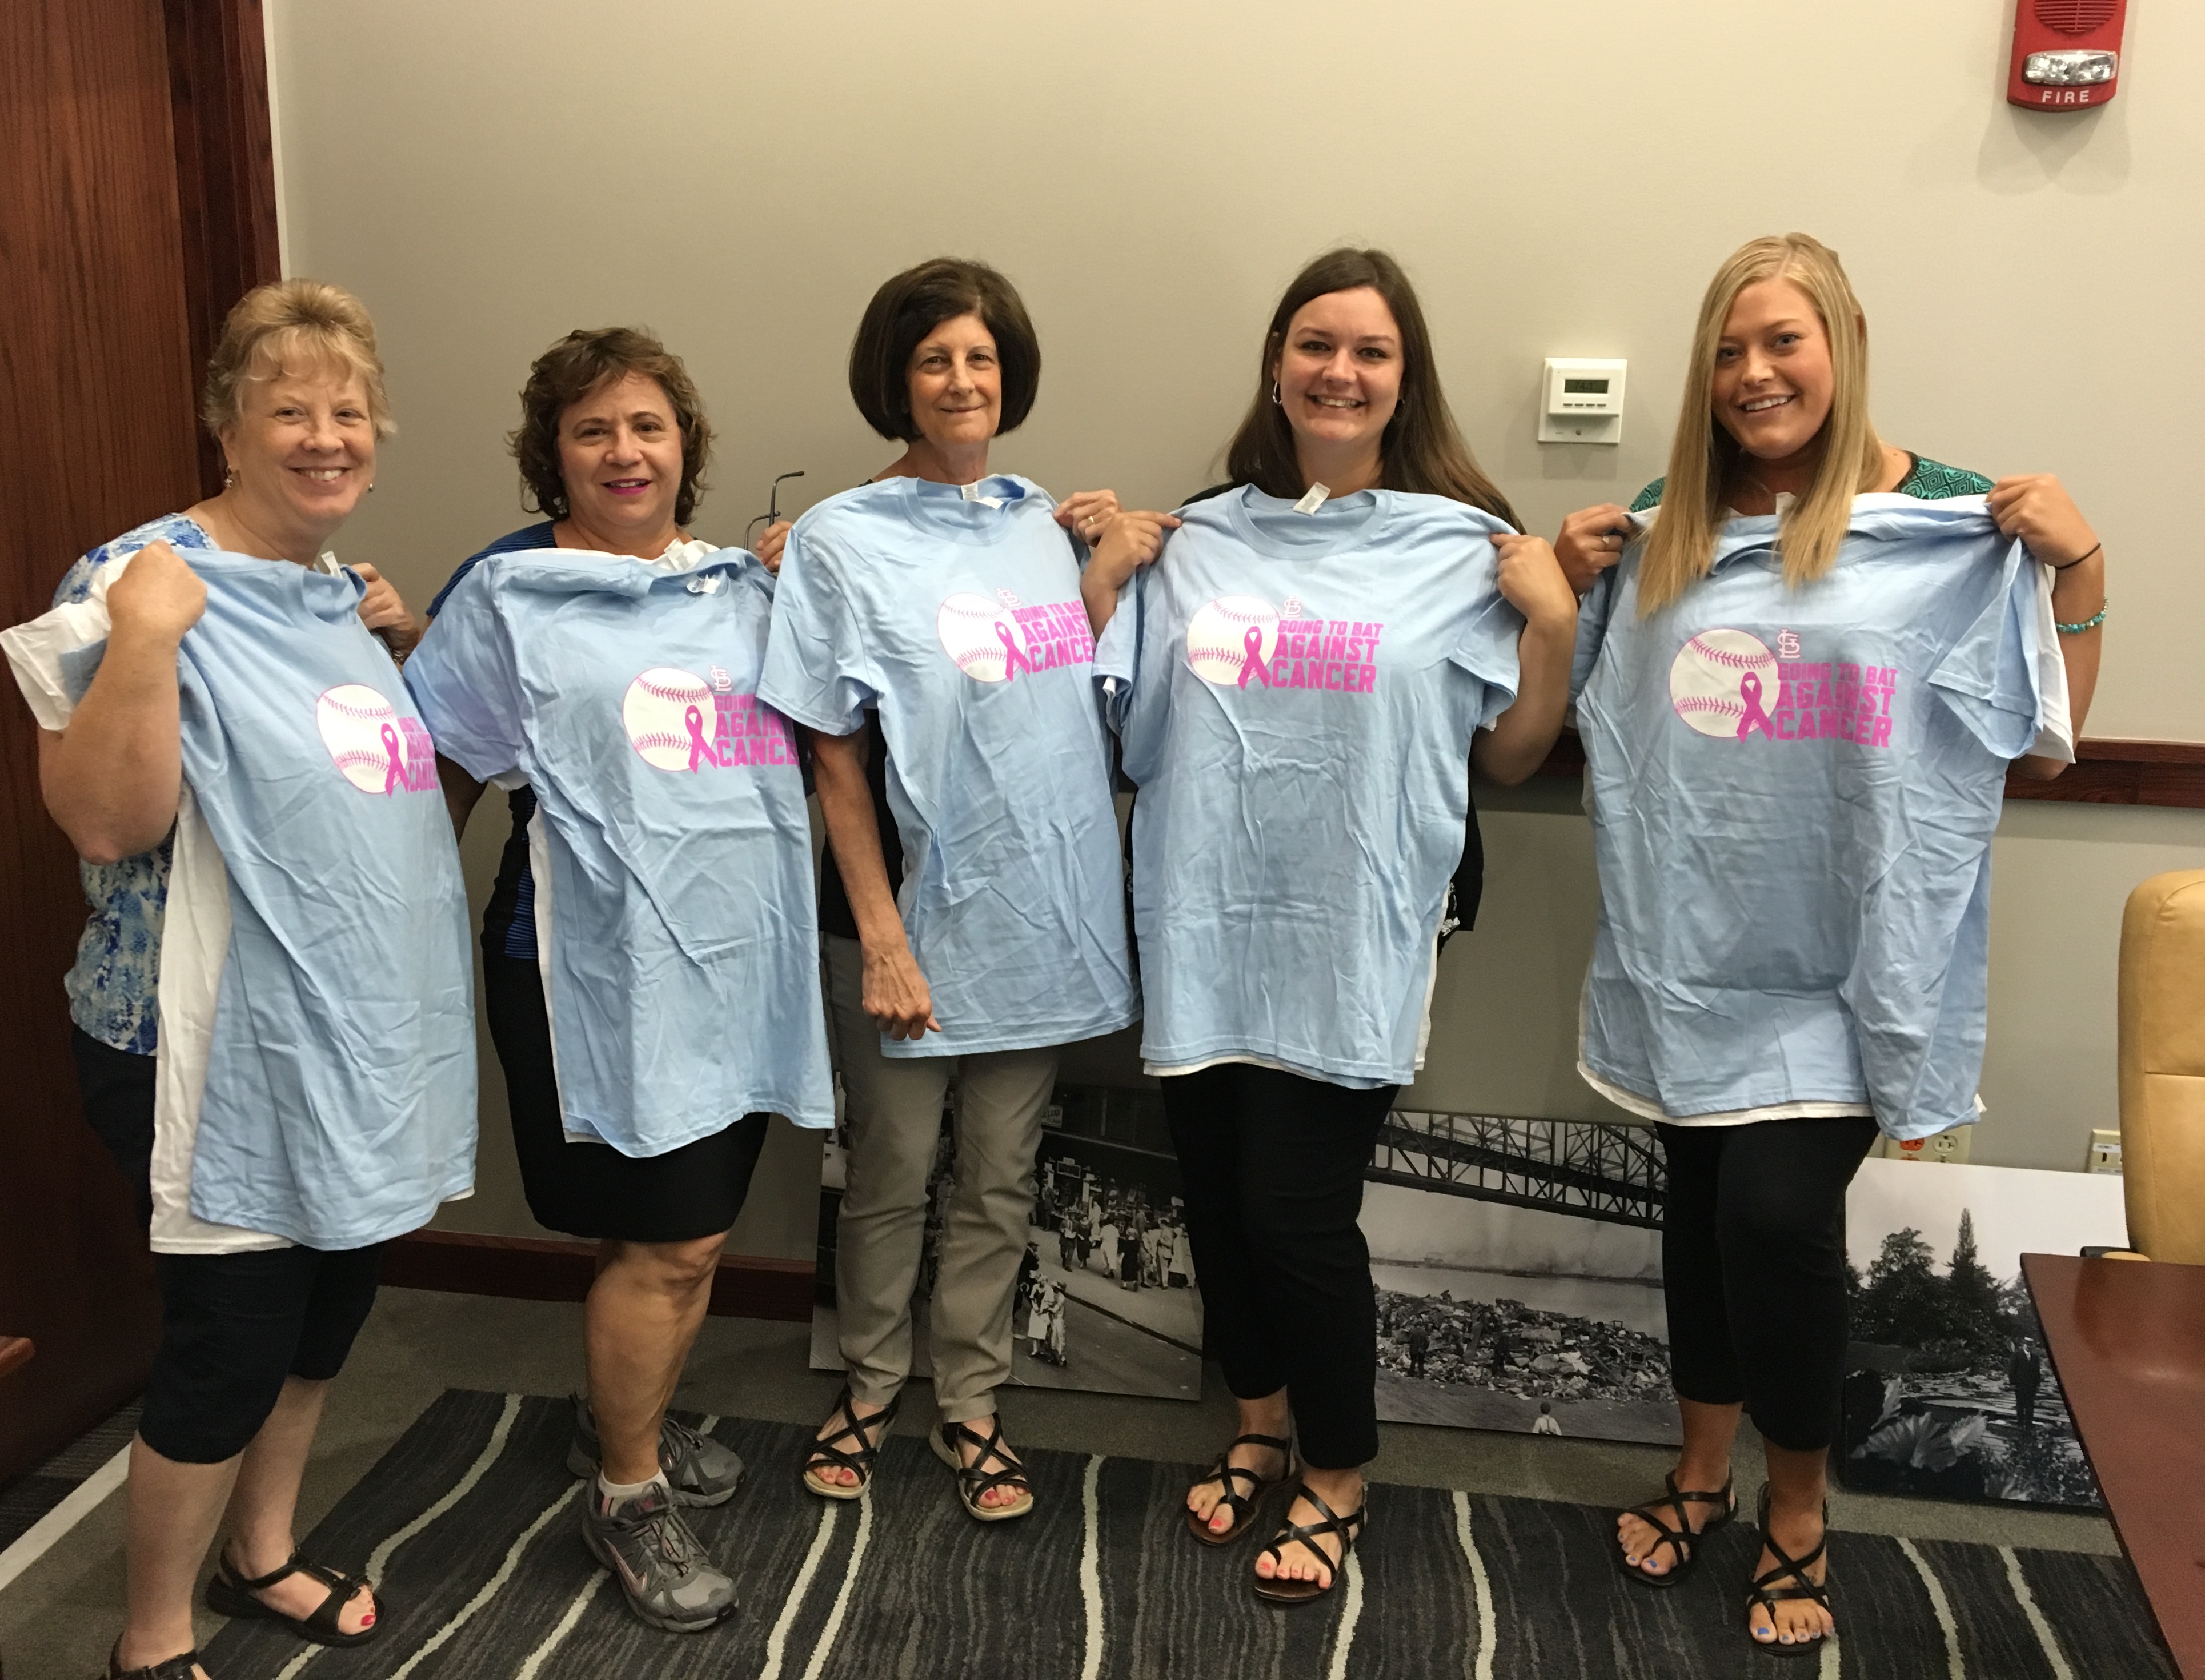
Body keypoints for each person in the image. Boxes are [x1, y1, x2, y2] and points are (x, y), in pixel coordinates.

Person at [1562, 234, 2102, 1657]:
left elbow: (2035, 747)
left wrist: (2080, 567)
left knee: (1774, 1218)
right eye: (1731, 351)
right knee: (1694, 1207)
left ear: (1844, 345)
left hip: (1853, 964)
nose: (1754, 374)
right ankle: (1696, 1469)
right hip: (1692, 951)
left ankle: (1794, 1503)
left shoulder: (1947, 520)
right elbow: (1588, 710)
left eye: (1783, 342)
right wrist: (1575, 582)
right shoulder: (1667, 521)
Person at [0, 280, 476, 1680]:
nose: (326, 436)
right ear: (228, 424)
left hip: (352, 1037)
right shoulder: (137, 575)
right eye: (290, 410)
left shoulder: (334, 593)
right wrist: (145, 636)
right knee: (232, 1336)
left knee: (331, 1310)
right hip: (203, 1043)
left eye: (349, 411)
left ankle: (260, 1551)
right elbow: (103, 820)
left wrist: (381, 642)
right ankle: (150, 1642)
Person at [1091, 246, 1576, 1603]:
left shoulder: (1461, 547)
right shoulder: (1195, 539)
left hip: (1353, 936)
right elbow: (1121, 739)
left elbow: (1516, 760)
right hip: (1202, 928)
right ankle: (1259, 1424)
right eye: (1316, 343)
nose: (1339, 372)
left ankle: (1341, 1468)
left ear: (1403, 377)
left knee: (1297, 1215)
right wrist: (1104, 593)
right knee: (1222, 1204)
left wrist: (1549, 635)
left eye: (1368, 351)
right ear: (1277, 363)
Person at [407, 327, 834, 1635]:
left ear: (686, 449)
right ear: (555, 455)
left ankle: (623, 1416)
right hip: (580, 963)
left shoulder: (743, 589)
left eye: (648, 427)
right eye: (593, 431)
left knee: (662, 1237)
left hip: (736, 962)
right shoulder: (510, 591)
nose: (624, 452)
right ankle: (630, 1491)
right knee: (676, 1236)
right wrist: (397, 937)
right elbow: (442, 772)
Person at [766, 258, 1162, 1522]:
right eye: (935, 359)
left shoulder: (1039, 522)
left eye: (981, 358)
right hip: (911, 925)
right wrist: (882, 940)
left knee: (1000, 1179)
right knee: (889, 1170)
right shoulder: (838, 541)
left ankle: (971, 1402)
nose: (960, 381)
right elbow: (831, 755)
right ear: (896, 379)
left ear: (1012, 375)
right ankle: (873, 1386)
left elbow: (1058, 704)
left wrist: (1102, 576)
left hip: (1035, 922)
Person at [2009, 1336, 2044, 1432]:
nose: (2029, 1347)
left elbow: (2037, 1372)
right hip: (2020, 1385)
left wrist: (2038, 1384)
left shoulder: (2035, 1358)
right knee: (2020, 1404)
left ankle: (2029, 1423)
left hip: (2031, 1386)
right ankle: (2020, 1422)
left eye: (2031, 1345)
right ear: (2023, 1345)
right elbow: (2012, 1370)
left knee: (2030, 1405)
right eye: (2027, 1344)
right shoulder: (2017, 1355)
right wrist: (2013, 1383)